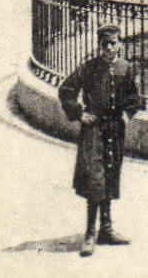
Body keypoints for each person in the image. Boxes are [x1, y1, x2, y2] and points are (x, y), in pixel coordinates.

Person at [58, 21, 142, 257]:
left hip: (114, 130)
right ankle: (90, 233)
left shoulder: (127, 69)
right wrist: (78, 113)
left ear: (120, 44)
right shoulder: (90, 68)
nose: (108, 48)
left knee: (110, 174)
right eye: (104, 44)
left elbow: (135, 98)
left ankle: (106, 229)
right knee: (95, 179)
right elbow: (66, 90)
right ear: (99, 45)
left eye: (112, 44)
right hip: (93, 129)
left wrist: (126, 115)